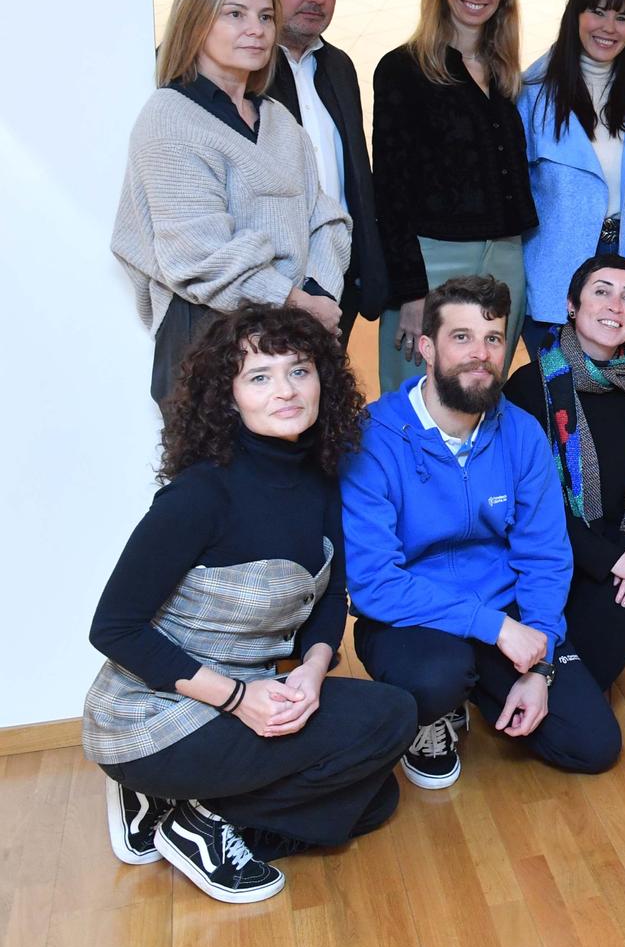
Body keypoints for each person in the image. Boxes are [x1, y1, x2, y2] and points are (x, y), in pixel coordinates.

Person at [84, 305, 413, 904]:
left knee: (378, 798)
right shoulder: (198, 496)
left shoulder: (321, 477)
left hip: (255, 690)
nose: (285, 390)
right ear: (228, 396)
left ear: (324, 382)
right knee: (385, 725)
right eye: (259, 376)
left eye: (299, 370)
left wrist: (313, 673)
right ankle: (185, 818)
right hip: (154, 715)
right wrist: (237, 698)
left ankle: (183, 813)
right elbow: (114, 628)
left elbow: (329, 593)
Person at [344, 276, 622, 790]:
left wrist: (539, 668)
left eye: (492, 338)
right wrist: (494, 629)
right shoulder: (373, 438)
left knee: (593, 743)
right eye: (462, 337)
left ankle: (479, 688)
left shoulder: (520, 431)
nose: (480, 354)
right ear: (426, 348)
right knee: (434, 677)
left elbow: (544, 554)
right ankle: (436, 710)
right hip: (412, 618)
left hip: (503, 611)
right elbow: (374, 582)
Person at [112, 0, 349, 407]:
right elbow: (200, 257)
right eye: (235, 14)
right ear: (197, 22)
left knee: (294, 474)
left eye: (265, 17)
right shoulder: (169, 117)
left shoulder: (279, 121)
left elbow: (328, 222)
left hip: (291, 337)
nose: (256, 29)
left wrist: (316, 294)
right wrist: (296, 300)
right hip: (206, 339)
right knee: (218, 477)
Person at [503, 255, 625, 690]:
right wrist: (611, 560)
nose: (615, 307)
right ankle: (561, 683)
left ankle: (560, 680)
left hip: (617, 558)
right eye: (601, 292)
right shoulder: (529, 388)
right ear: (571, 305)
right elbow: (526, 506)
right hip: (549, 561)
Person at [372, 0, 534, 390]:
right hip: (432, 263)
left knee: (482, 398)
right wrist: (409, 292)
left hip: (505, 261)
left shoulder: (505, 77)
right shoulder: (402, 68)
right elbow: (390, 187)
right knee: (416, 402)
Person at [516, 0, 625, 366]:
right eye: (598, 12)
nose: (609, 27)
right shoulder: (531, 95)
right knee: (560, 405)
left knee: (617, 400)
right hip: (556, 272)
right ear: (575, 16)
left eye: (623, 17)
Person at [254, 0, 387, 338]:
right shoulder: (240, 68)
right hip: (269, 288)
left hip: (338, 284)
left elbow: (354, 174)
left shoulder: (340, 66)